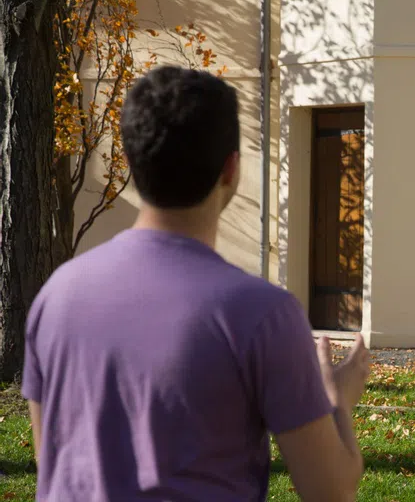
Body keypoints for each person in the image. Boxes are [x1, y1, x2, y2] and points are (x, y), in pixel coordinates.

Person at [22, 65, 370, 501]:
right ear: (232, 170)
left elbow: (51, 461)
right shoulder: (262, 314)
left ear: (129, 162)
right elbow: (330, 490)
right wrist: (336, 400)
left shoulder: (55, 297)